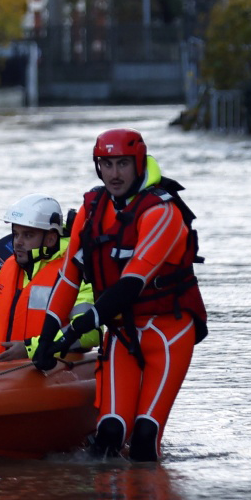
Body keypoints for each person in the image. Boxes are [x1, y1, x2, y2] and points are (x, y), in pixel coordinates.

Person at [34, 128, 205, 463]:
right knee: (109, 434)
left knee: (144, 439)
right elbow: (69, 277)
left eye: (122, 164)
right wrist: (46, 338)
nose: (114, 174)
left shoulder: (162, 212)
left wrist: (75, 329)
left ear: (139, 164)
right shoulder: (92, 207)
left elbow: (131, 284)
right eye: (106, 164)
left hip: (168, 331)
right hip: (122, 334)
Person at [0, 194, 94, 364]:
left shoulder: (74, 275)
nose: (18, 242)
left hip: (47, 372)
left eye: (28, 235)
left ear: (51, 238)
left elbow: (89, 333)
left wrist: (30, 348)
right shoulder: (3, 273)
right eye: (16, 234)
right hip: (1, 376)